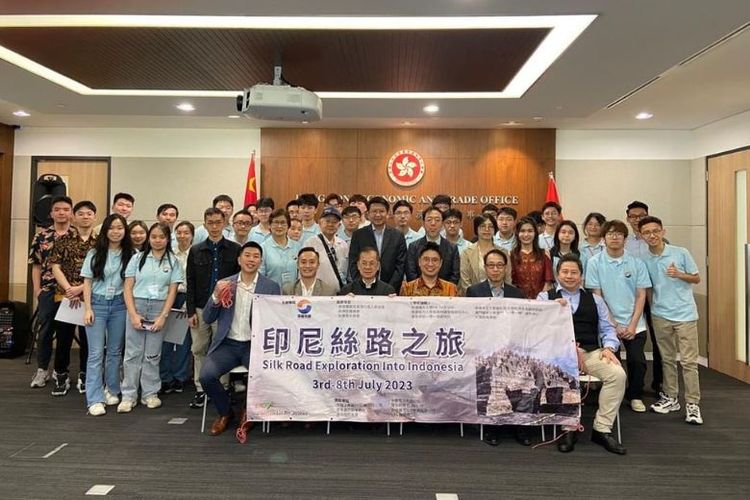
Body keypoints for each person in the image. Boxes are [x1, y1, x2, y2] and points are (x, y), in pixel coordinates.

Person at [538, 255, 627, 455]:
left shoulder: (596, 300)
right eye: (565, 272)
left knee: (618, 375)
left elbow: (608, 329)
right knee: (563, 373)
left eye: (574, 272)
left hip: (591, 352)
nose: (569, 276)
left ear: (581, 276)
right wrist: (551, 311)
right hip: (558, 354)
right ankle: (568, 427)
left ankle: (602, 428)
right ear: (557, 275)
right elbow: (537, 329)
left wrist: (609, 347)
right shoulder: (545, 298)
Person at [201, 242, 281, 436]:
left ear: (260, 261)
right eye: (247, 255)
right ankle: (225, 412)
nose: (251, 259)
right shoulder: (225, 283)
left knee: (264, 375)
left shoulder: (271, 287)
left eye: (255, 256)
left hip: (255, 346)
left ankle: (248, 411)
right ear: (239, 259)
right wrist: (216, 297)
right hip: (227, 345)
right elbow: (207, 318)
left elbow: (277, 320)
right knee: (206, 376)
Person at [638, 216, 703, 425]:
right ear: (641, 236)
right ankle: (671, 397)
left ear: (663, 232)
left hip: (685, 314)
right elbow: (648, 289)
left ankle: (692, 404)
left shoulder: (680, 252)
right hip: (660, 315)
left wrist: (679, 274)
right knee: (666, 359)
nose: (652, 235)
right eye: (647, 232)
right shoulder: (643, 260)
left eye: (655, 231)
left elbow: (696, 278)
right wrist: (652, 310)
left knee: (689, 362)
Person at [585, 220, 651, 413]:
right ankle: (612, 395)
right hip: (606, 323)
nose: (615, 237)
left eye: (619, 234)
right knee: (610, 362)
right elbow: (597, 296)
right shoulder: (594, 263)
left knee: (637, 361)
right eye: (610, 234)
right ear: (603, 239)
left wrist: (632, 325)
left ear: (625, 238)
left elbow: (641, 295)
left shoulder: (636, 263)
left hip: (634, 323)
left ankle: (635, 395)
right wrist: (614, 324)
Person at [465, 248, 527, 446]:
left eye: (499, 265)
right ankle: (492, 428)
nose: (495, 269)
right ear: (485, 268)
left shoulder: (516, 293)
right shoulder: (474, 292)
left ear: (506, 268)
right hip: (484, 349)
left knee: (519, 384)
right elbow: (469, 323)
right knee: (492, 388)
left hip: (511, 349)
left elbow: (522, 325)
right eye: (491, 265)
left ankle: (519, 427)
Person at [119, 222, 182, 412]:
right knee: (132, 353)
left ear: (167, 239)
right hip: (137, 305)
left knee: (153, 354)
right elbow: (128, 287)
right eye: (153, 237)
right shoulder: (137, 258)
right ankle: (129, 395)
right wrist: (132, 314)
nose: (157, 240)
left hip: (159, 308)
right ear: (149, 238)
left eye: (162, 237)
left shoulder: (173, 261)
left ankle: (150, 393)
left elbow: (172, 291)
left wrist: (163, 316)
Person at [186, 208, 241, 410]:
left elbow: (239, 282)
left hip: (224, 309)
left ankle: (222, 387)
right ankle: (201, 389)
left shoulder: (235, 249)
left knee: (221, 349)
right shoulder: (196, 250)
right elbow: (190, 282)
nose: (215, 226)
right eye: (210, 223)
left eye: (218, 222)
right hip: (201, 307)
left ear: (225, 223)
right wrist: (190, 311)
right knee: (199, 348)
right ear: (205, 224)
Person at [81, 214, 135, 415]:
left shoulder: (132, 254)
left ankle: (112, 389)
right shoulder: (95, 253)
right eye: (112, 228)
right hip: (97, 304)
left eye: (120, 228)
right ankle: (94, 398)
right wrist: (88, 308)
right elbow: (87, 282)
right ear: (105, 230)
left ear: (125, 231)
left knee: (114, 352)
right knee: (95, 353)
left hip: (120, 305)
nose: (116, 231)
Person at [48, 200, 98, 395]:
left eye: (89, 213)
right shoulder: (62, 240)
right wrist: (69, 289)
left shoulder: (100, 243)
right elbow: (55, 267)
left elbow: (101, 272)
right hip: (66, 297)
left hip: (90, 297)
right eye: (81, 213)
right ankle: (61, 375)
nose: (85, 217)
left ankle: (86, 374)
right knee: (63, 339)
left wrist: (80, 289)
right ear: (73, 217)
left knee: (88, 340)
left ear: (94, 217)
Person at [29, 196, 75, 389]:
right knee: (45, 330)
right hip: (48, 290)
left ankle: (60, 370)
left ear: (71, 213)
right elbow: (36, 265)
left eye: (65, 209)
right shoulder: (41, 236)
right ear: (51, 213)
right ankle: (42, 370)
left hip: (71, 291)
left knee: (66, 332)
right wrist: (37, 290)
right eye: (57, 209)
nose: (61, 212)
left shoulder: (77, 235)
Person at [624, 201, 663, 394]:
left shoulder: (659, 241)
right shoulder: (624, 242)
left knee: (659, 341)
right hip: (632, 297)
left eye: (641, 215)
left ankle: (660, 383)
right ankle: (631, 387)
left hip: (656, 297)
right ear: (628, 219)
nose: (637, 219)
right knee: (633, 340)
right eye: (633, 216)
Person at [159, 220, 195, 395]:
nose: (182, 236)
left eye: (186, 233)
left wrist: (190, 302)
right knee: (165, 339)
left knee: (183, 341)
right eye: (179, 232)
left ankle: (180, 377)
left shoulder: (195, 253)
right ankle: (165, 377)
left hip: (186, 297)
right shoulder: (169, 254)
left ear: (192, 235)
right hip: (168, 297)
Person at [348, 196, 407, 292]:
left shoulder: (398, 236)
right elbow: (353, 263)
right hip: (362, 290)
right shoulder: (358, 235)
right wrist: (361, 286)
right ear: (368, 214)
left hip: (390, 290)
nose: (378, 214)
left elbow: (400, 266)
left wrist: (389, 288)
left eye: (381, 211)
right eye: (374, 211)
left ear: (387, 214)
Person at [406, 206, 460, 284]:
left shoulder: (452, 248)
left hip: (445, 290)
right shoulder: (413, 247)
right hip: (418, 290)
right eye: (429, 220)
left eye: (437, 220)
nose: (433, 223)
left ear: (442, 224)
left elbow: (455, 275)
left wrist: (443, 289)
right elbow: (411, 274)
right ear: (423, 223)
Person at [460, 214, 509, 295]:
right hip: (474, 297)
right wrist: (475, 297)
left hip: (499, 297)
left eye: (490, 226)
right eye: (483, 226)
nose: (487, 229)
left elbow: (507, 279)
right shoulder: (467, 252)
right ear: (476, 229)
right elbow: (465, 281)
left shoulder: (503, 252)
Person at [303, 206, 348, 293]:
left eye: (334, 222)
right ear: (320, 223)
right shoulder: (310, 244)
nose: (330, 224)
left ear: (339, 225)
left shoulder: (343, 245)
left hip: (340, 293)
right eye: (327, 221)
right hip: (319, 294)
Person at [511, 217, 553, 299]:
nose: (526, 234)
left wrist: (540, 299)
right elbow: (510, 282)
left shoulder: (544, 254)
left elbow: (548, 282)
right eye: (522, 231)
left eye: (530, 231)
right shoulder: (511, 255)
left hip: (541, 301)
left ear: (535, 233)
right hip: (517, 301)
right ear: (517, 233)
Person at [260, 209, 300, 289]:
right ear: (269, 225)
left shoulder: (297, 247)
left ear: (288, 225)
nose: (279, 226)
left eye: (283, 223)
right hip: (271, 293)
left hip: (293, 293)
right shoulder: (263, 248)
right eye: (276, 222)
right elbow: (261, 276)